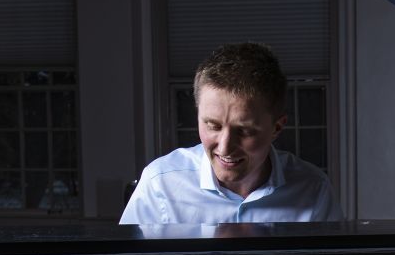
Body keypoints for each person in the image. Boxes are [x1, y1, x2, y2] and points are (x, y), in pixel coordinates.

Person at [120, 42, 342, 224]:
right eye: (213, 126)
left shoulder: (314, 190)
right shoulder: (160, 185)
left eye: (244, 131)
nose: (225, 147)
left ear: (277, 127)